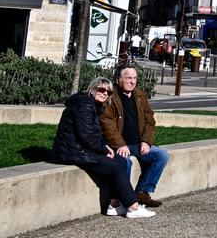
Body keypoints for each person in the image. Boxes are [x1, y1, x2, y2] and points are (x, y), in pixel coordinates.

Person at [52, 77, 155, 219]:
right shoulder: (85, 106)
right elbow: (87, 136)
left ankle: (114, 205)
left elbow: (93, 134)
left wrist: (105, 147)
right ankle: (133, 206)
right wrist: (104, 150)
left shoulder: (92, 104)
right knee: (116, 165)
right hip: (73, 152)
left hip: (80, 149)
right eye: (101, 90)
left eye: (108, 92)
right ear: (92, 90)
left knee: (120, 161)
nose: (105, 93)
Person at [101, 65, 170, 208]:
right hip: (119, 145)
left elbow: (150, 120)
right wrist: (120, 144)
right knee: (125, 163)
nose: (132, 82)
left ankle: (142, 193)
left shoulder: (140, 95)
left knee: (161, 155)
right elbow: (107, 124)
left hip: (138, 144)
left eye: (134, 78)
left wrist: (146, 141)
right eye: (128, 78)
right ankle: (124, 198)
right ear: (118, 80)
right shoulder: (110, 97)